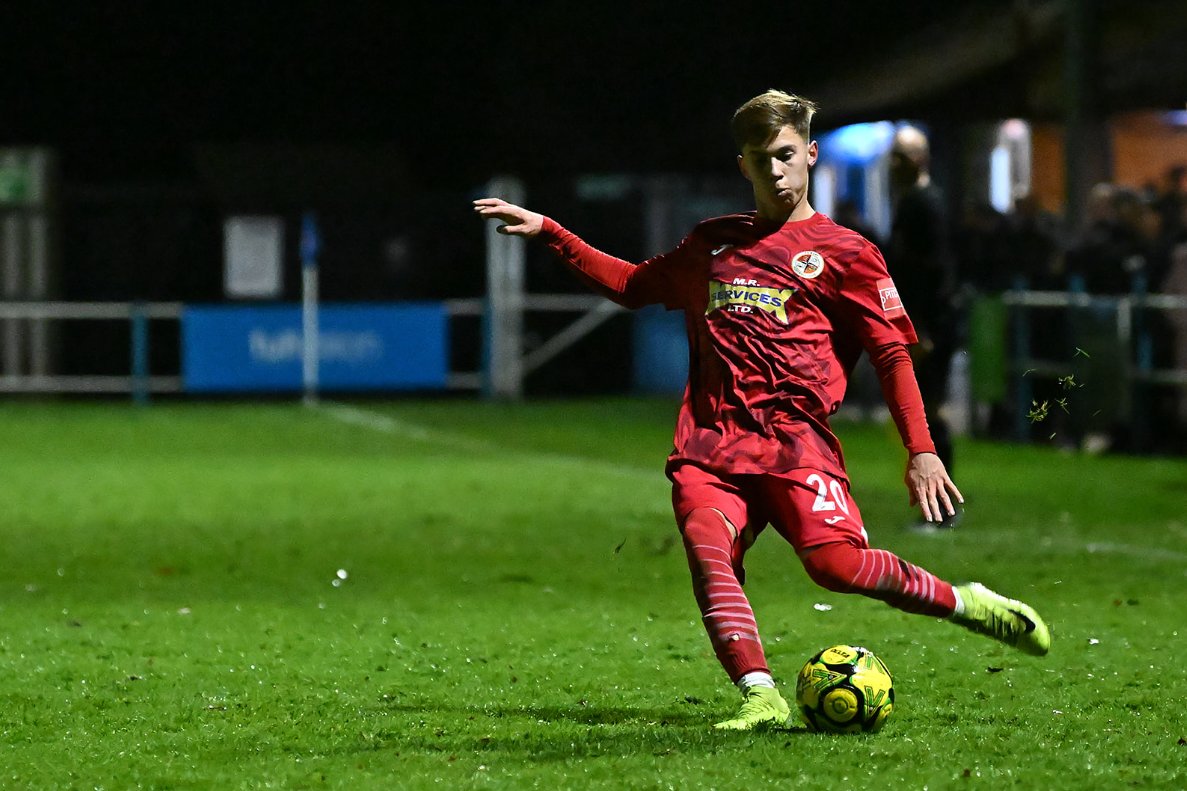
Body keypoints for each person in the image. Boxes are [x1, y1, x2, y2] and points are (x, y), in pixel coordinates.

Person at [474, 89, 1051, 731]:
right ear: (743, 165)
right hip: (712, 444)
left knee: (836, 567)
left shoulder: (847, 253)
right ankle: (760, 695)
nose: (774, 170)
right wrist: (553, 233)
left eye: (784, 155)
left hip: (794, 445)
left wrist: (921, 450)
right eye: (759, 158)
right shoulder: (711, 245)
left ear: (808, 155)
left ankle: (964, 602)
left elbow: (892, 355)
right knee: (707, 547)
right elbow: (634, 285)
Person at [886, 125, 963, 528]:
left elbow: (934, 272)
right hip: (923, 322)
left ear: (918, 160)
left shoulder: (924, 205)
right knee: (923, 411)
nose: (892, 166)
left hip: (929, 325)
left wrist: (925, 328)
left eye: (900, 158)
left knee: (929, 411)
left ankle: (943, 507)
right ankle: (936, 505)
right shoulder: (916, 202)